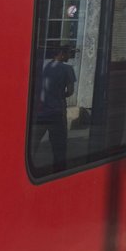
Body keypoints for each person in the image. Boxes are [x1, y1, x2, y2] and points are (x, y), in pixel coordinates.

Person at [32, 41, 77, 172]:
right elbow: (70, 91)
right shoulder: (67, 69)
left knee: (32, 146)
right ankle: (58, 172)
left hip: (40, 113)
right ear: (62, 54)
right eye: (68, 52)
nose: (69, 55)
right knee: (59, 148)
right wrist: (59, 94)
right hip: (57, 114)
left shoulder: (43, 65)